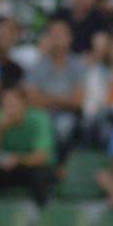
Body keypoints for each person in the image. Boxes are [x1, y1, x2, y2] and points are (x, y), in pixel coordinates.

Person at [0, 86, 57, 206]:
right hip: (6, 169)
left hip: (30, 167)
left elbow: (41, 156)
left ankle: (45, 212)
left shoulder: (39, 118)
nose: (8, 108)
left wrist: (18, 159)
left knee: (40, 173)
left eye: (12, 103)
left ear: (24, 103)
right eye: (5, 103)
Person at [24, 18, 85, 161]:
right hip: (41, 114)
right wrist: (63, 98)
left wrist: (45, 98)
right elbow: (32, 99)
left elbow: (77, 101)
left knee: (63, 126)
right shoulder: (37, 65)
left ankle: (59, 165)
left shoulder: (78, 65)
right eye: (53, 35)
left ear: (69, 38)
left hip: (69, 115)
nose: (56, 39)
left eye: (60, 35)